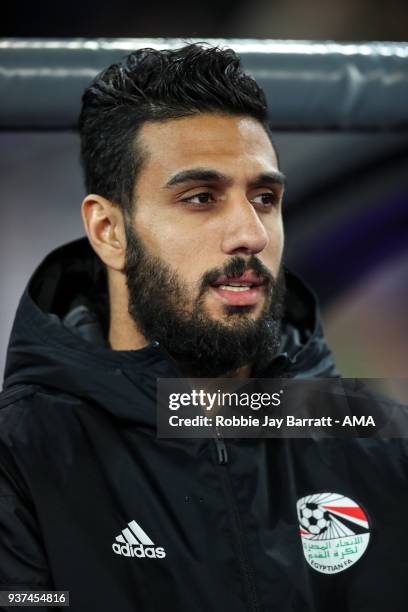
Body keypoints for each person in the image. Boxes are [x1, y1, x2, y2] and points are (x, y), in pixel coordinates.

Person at [0, 43, 406, 611]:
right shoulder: (24, 457)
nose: (251, 233)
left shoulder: (376, 439)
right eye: (200, 198)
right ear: (109, 231)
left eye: (265, 197)